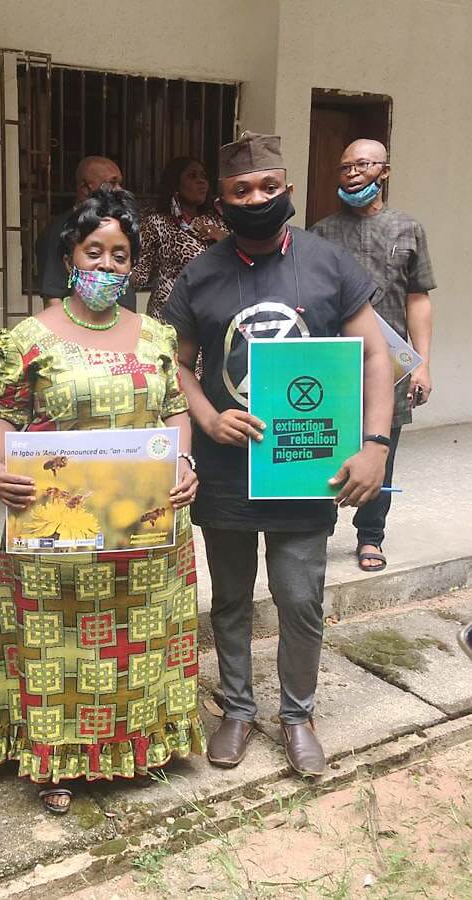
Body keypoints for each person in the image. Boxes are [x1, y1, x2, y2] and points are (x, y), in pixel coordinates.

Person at [163, 132, 393, 778]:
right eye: (241, 191)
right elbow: (176, 365)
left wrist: (374, 445)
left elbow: (376, 354)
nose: (256, 198)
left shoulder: (328, 264)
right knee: (231, 598)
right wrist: (207, 415)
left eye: (268, 187)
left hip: (303, 467)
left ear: (288, 188)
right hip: (227, 471)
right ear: (223, 199)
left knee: (299, 598)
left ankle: (298, 716)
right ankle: (237, 709)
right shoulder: (200, 273)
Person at [0, 187, 202, 815]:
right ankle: (56, 759)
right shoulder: (28, 339)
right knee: (59, 646)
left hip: (144, 532)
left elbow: (176, 412)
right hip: (59, 536)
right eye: (94, 252)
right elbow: (5, 417)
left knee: (144, 638)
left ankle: (143, 744)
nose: (107, 267)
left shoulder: (158, 337)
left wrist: (184, 462)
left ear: (134, 265)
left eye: (121, 255)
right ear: (70, 254)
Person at [311, 139, 435, 573]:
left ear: (384, 171)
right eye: (345, 166)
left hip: (394, 366)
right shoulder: (320, 232)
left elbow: (418, 299)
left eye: (362, 164)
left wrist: (422, 361)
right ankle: (318, 529)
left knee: (383, 447)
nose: (352, 173)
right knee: (328, 444)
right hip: (336, 363)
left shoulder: (407, 228)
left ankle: (370, 536)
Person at [131, 156, 228, 320]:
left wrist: (221, 236)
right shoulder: (156, 223)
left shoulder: (216, 221)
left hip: (208, 317)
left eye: (203, 176)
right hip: (168, 318)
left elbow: (235, 263)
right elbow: (139, 277)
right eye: (192, 176)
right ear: (176, 184)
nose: (201, 181)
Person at [36, 156, 137, 311]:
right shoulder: (61, 229)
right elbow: (53, 298)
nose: (119, 189)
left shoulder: (122, 223)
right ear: (85, 187)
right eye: (112, 182)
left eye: (119, 256)